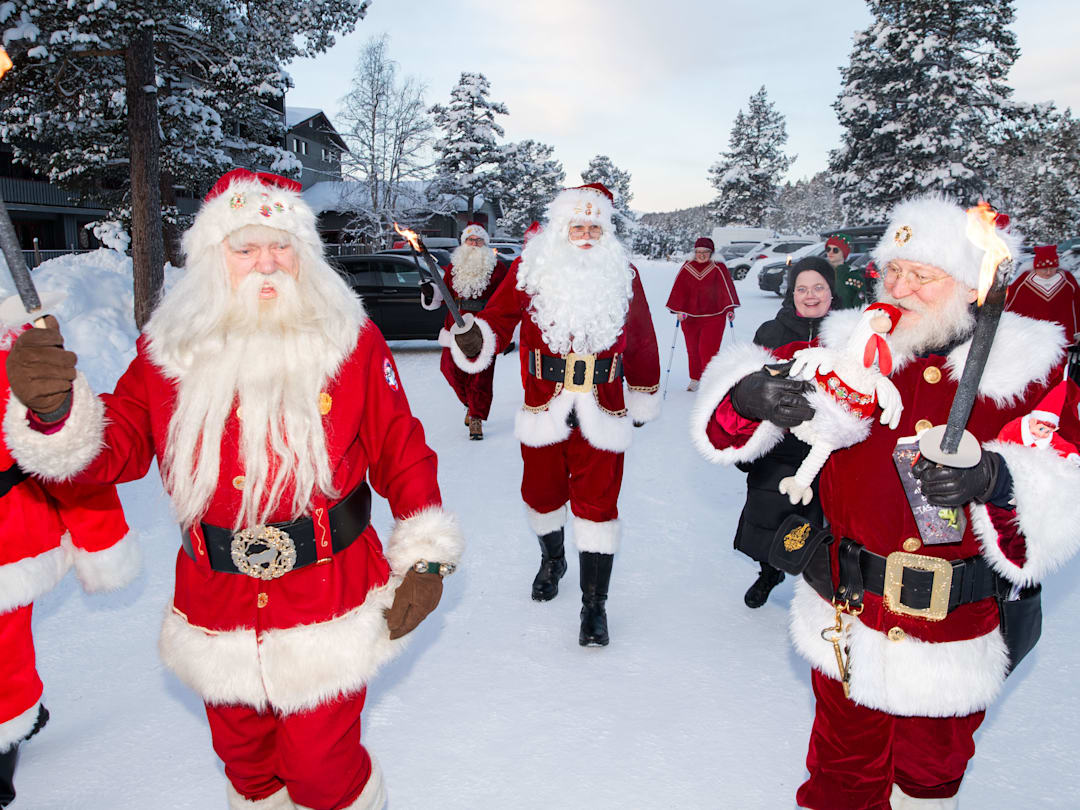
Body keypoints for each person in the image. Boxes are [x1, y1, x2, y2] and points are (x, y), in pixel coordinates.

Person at [3, 168, 464, 810]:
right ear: (215, 259)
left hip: (329, 595)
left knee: (320, 772)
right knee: (248, 768)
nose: (266, 264)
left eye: (280, 246)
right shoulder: (168, 349)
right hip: (216, 603)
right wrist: (55, 414)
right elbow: (119, 444)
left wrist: (426, 556)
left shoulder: (349, 340)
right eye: (245, 248)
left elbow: (401, 449)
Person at [691, 196, 1080, 809]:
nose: (898, 288)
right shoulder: (849, 352)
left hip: (954, 632)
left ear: (969, 285)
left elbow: (1064, 482)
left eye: (920, 275)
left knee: (929, 778)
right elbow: (724, 433)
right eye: (891, 271)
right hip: (846, 612)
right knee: (841, 776)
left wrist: (996, 481)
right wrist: (748, 395)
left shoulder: (1027, 370)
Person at [446, 183, 660, 647]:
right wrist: (476, 338)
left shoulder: (624, 273)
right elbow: (499, 320)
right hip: (543, 404)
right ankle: (553, 558)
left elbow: (642, 336)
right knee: (541, 495)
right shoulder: (530, 268)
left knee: (599, 506)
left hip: (604, 408)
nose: (585, 236)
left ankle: (594, 606)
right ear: (560, 228)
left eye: (594, 228)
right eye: (576, 227)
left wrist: (644, 390)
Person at [0, 320, 138, 809]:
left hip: (6, 541)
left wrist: (101, 540)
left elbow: (65, 457)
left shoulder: (19, 358)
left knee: (4, 654)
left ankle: (7, 731)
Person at [730, 256, 834, 608]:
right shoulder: (771, 332)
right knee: (771, 512)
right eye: (802, 288)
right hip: (782, 441)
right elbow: (746, 385)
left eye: (819, 287)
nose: (810, 295)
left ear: (832, 292)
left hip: (832, 444)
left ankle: (822, 587)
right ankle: (769, 570)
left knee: (825, 519)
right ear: (791, 293)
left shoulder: (850, 332)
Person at [421, 222, 509, 440]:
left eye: (479, 241)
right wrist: (430, 292)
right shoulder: (454, 267)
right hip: (455, 326)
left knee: (480, 377)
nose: (475, 244)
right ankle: (469, 404)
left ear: (486, 244)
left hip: (483, 327)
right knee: (449, 369)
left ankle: (476, 417)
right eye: (471, 240)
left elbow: (507, 298)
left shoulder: (497, 268)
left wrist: (501, 326)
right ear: (464, 243)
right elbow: (443, 295)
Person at [665, 237, 739, 391]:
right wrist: (679, 309)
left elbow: (726, 289)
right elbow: (679, 289)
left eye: (705, 252)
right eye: (698, 252)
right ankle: (695, 378)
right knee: (692, 350)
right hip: (690, 317)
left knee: (708, 350)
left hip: (714, 317)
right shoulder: (687, 267)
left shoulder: (718, 267)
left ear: (711, 253)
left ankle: (709, 380)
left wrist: (729, 309)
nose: (701, 255)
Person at [1004, 244, 1080, 345]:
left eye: (1052, 268)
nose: (1048, 272)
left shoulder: (1067, 280)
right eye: (1044, 269)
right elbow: (1010, 305)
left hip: (1060, 336)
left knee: (1059, 358)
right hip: (1032, 335)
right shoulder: (1024, 281)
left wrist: (1077, 332)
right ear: (1036, 267)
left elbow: (1076, 306)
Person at [826, 232, 861, 309]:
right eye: (828, 249)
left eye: (835, 250)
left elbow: (859, 305)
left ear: (843, 252)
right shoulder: (822, 272)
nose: (830, 252)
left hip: (845, 317)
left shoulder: (853, 275)